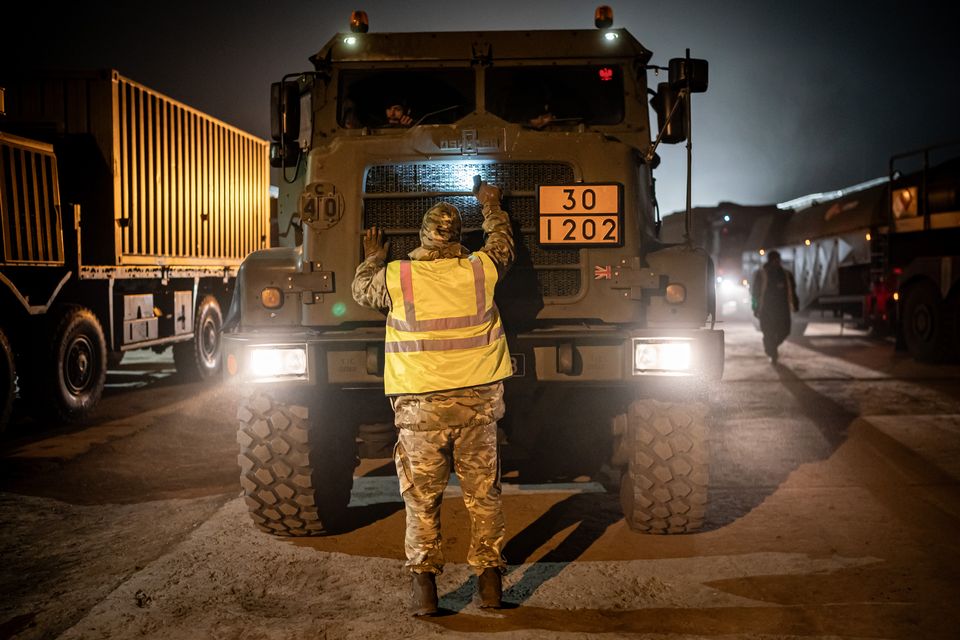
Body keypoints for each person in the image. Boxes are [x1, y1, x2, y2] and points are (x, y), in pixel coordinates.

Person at [351, 181, 515, 616]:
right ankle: (491, 587)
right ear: (459, 236)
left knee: (422, 501)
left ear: (424, 235)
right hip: (477, 407)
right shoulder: (481, 269)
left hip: (420, 410)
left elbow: (361, 289)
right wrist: (492, 206)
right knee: (484, 498)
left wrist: (372, 254)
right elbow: (502, 244)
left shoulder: (398, 275)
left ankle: (425, 591)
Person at [751, 250, 799, 363]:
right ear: (770, 260)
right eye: (774, 260)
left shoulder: (786, 274)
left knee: (785, 331)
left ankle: (772, 348)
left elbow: (793, 291)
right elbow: (755, 293)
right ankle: (772, 352)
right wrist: (755, 307)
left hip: (783, 310)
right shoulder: (761, 274)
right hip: (766, 310)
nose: (777, 262)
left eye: (778, 260)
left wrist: (795, 304)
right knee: (768, 333)